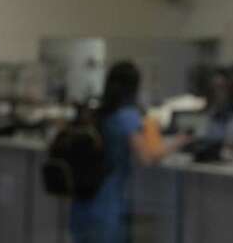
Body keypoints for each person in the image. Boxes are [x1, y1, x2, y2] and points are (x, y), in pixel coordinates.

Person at [69, 61, 183, 243]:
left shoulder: (98, 114)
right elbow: (146, 157)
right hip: (107, 204)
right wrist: (179, 142)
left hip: (82, 203)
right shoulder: (127, 116)